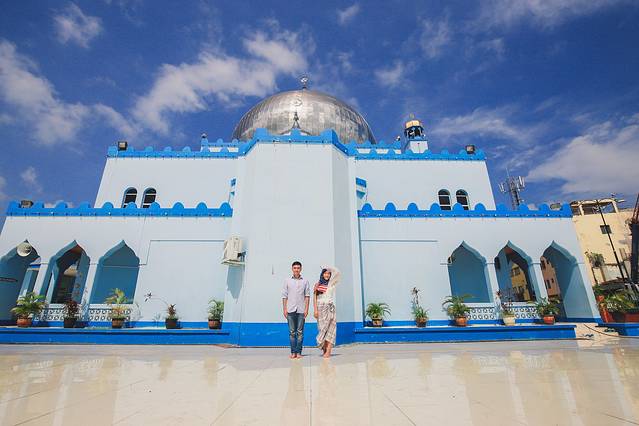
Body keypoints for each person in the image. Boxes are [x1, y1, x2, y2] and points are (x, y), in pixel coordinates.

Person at [282, 261, 310, 359]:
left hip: (301, 310)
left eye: (298, 268)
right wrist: (284, 309)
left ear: (301, 269)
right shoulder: (287, 281)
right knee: (292, 332)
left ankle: (299, 352)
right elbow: (284, 296)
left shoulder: (305, 281)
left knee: (300, 332)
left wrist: (306, 309)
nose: (296, 269)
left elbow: (307, 296)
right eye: (295, 268)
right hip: (290, 309)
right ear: (292, 269)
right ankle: (293, 352)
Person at [313, 265, 340, 358]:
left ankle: (328, 351)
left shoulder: (332, 283)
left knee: (331, 329)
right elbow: (315, 297)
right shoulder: (318, 284)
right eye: (325, 273)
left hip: (330, 307)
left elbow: (338, 273)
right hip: (320, 308)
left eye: (328, 273)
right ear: (322, 274)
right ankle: (324, 349)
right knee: (322, 329)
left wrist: (328, 267)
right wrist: (315, 310)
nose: (327, 275)